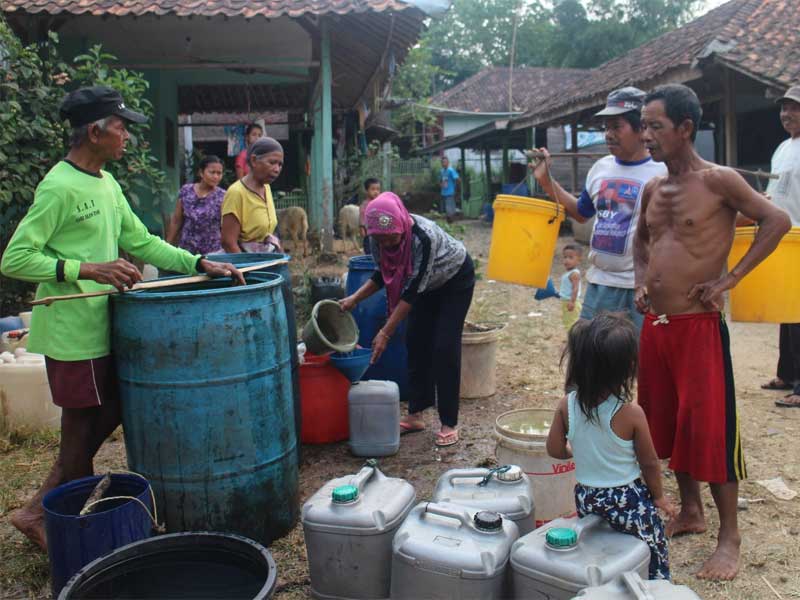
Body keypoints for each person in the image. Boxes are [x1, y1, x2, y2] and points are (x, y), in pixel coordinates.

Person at [0, 86, 244, 550]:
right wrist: (87, 268)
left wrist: (197, 262)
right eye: (120, 126)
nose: (127, 135)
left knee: (111, 410)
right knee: (77, 439)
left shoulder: (106, 184)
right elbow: (14, 258)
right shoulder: (59, 186)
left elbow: (144, 240)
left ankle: (37, 511)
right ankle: (77, 535)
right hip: (71, 333)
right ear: (94, 132)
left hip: (102, 326)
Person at [633, 83, 791, 580]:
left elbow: (777, 220)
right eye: (644, 126)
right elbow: (641, 242)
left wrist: (730, 279)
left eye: (655, 125)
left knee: (710, 429)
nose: (647, 135)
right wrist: (641, 281)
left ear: (684, 129)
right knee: (671, 421)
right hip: (656, 326)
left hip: (699, 326)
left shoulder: (721, 181)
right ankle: (691, 511)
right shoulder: (652, 189)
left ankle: (729, 537)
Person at [547, 313, 678, 580]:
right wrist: (658, 496)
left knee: (599, 546)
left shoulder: (566, 405)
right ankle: (653, 585)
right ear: (628, 367)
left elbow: (554, 449)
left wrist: (574, 453)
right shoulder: (630, 412)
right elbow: (650, 463)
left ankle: (606, 584)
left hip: (587, 496)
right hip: (627, 498)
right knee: (648, 547)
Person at [339, 192, 475, 447]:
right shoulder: (377, 240)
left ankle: (448, 422)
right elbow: (382, 274)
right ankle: (416, 414)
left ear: (401, 223)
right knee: (415, 342)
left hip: (454, 280)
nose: (387, 245)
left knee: (444, 347)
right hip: (423, 285)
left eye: (392, 238)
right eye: (381, 240)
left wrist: (385, 332)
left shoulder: (423, 237)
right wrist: (353, 299)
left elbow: (412, 290)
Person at [531, 87, 668, 331]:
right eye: (606, 127)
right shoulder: (600, 169)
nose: (608, 134)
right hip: (599, 285)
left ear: (642, 128)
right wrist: (546, 181)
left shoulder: (663, 173)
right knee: (592, 359)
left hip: (641, 290)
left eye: (617, 126)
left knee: (641, 363)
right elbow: (581, 213)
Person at [759, 85, 800, 406]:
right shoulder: (782, 148)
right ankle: (786, 373)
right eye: (784, 108)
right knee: (786, 307)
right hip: (786, 238)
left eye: (795, 108)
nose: (787, 114)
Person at [221, 137, 283, 253]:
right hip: (248, 262)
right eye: (272, 162)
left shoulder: (266, 188)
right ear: (254, 161)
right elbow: (228, 242)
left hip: (267, 259)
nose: (277, 169)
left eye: (280, 165)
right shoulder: (236, 193)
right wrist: (246, 268)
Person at [166, 155, 226, 255]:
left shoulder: (223, 196)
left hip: (212, 252)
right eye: (212, 172)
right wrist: (168, 245)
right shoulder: (186, 191)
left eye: (219, 173)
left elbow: (226, 226)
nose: (216, 176)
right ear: (201, 173)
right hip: (187, 250)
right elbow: (176, 220)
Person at [559, 244, 583, 329]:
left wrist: (572, 301)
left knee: (572, 323)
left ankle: (574, 339)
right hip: (566, 301)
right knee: (568, 321)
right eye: (565, 257)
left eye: (570, 257)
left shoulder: (574, 274)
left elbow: (575, 289)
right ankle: (572, 338)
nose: (567, 260)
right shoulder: (569, 273)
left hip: (571, 302)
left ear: (579, 260)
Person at [360, 177, 382, 254]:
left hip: (380, 233)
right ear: (367, 191)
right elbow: (362, 217)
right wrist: (362, 228)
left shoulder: (381, 203)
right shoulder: (365, 204)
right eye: (373, 189)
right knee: (369, 252)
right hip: (369, 234)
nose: (376, 192)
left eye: (378, 189)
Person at [439, 156, 459, 221]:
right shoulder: (441, 171)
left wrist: (455, 188)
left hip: (450, 192)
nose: (443, 163)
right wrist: (441, 184)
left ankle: (450, 220)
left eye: (445, 162)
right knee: (445, 208)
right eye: (442, 162)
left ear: (448, 162)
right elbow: (440, 180)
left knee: (449, 207)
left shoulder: (451, 170)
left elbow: (457, 179)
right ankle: (449, 219)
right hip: (443, 192)